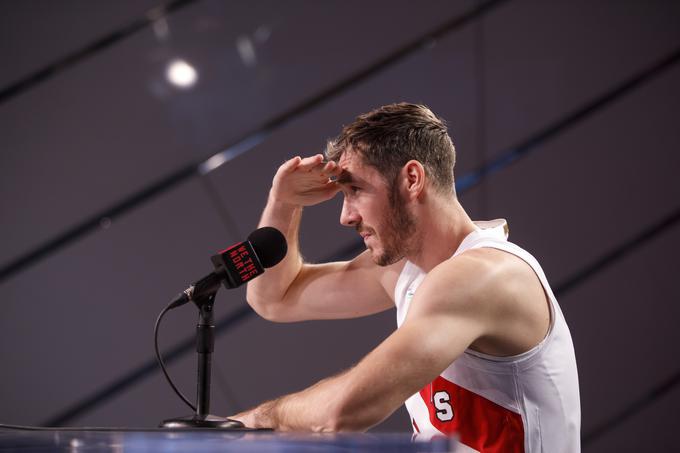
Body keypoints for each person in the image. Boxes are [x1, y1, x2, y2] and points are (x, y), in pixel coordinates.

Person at [232, 103, 580, 452]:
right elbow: (272, 298)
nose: (345, 216)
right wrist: (284, 202)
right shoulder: (406, 270)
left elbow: (341, 413)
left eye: (354, 191)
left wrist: (250, 423)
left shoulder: (483, 276)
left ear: (412, 179)